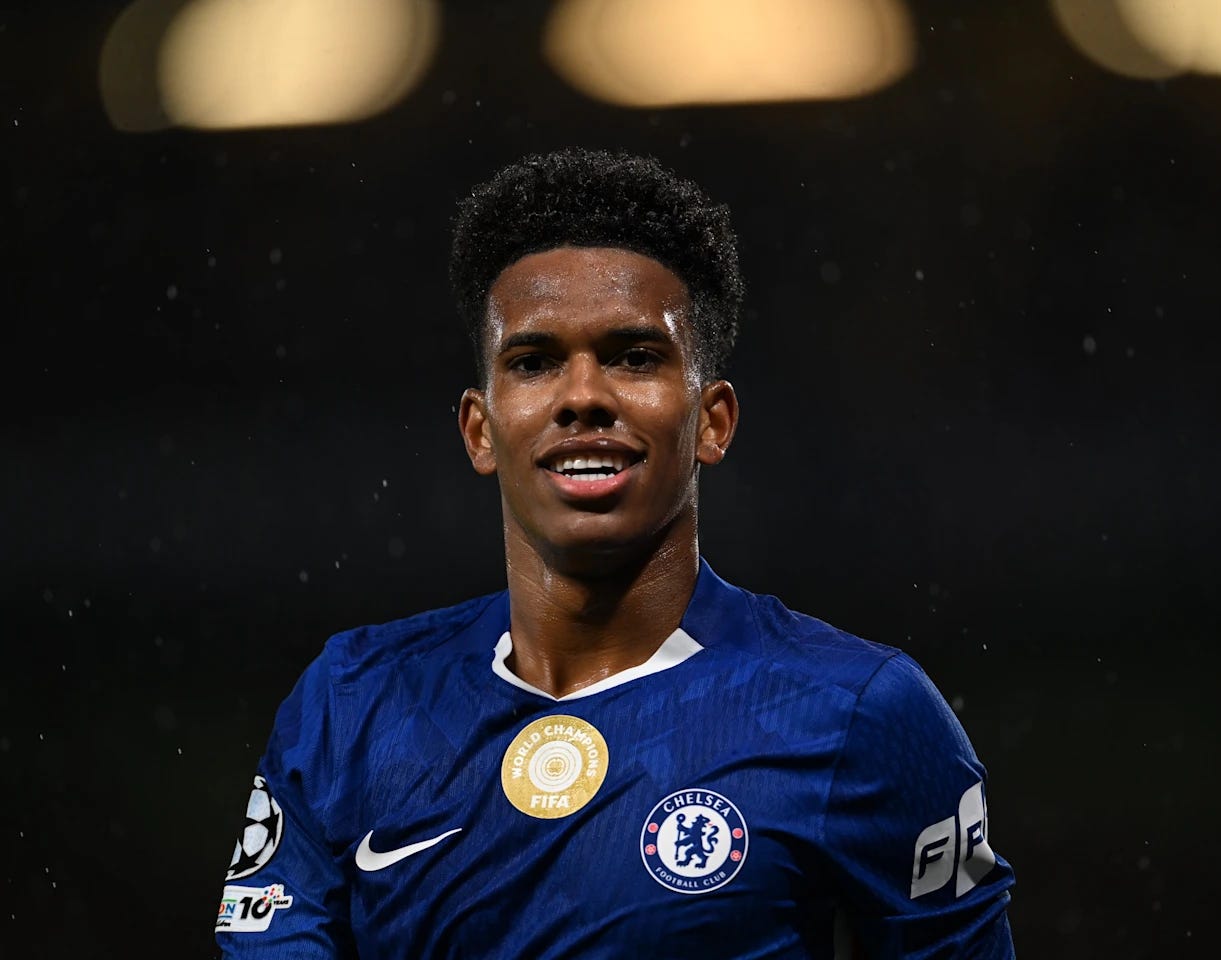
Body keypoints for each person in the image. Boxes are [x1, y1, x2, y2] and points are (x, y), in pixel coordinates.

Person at [214, 147, 1016, 958]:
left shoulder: (859, 714)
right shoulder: (351, 707)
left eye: (635, 357)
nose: (583, 397)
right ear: (480, 430)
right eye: (534, 363)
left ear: (712, 421)